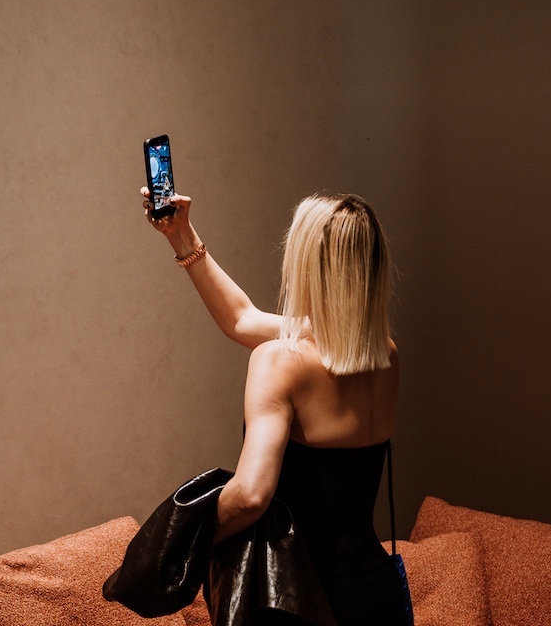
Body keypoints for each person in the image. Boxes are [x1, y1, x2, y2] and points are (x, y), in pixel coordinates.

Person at [141, 186, 408, 626]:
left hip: (299, 598)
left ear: (308, 264)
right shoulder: (385, 355)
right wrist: (182, 236)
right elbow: (241, 318)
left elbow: (250, 496)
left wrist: (184, 543)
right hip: (372, 596)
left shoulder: (280, 362)